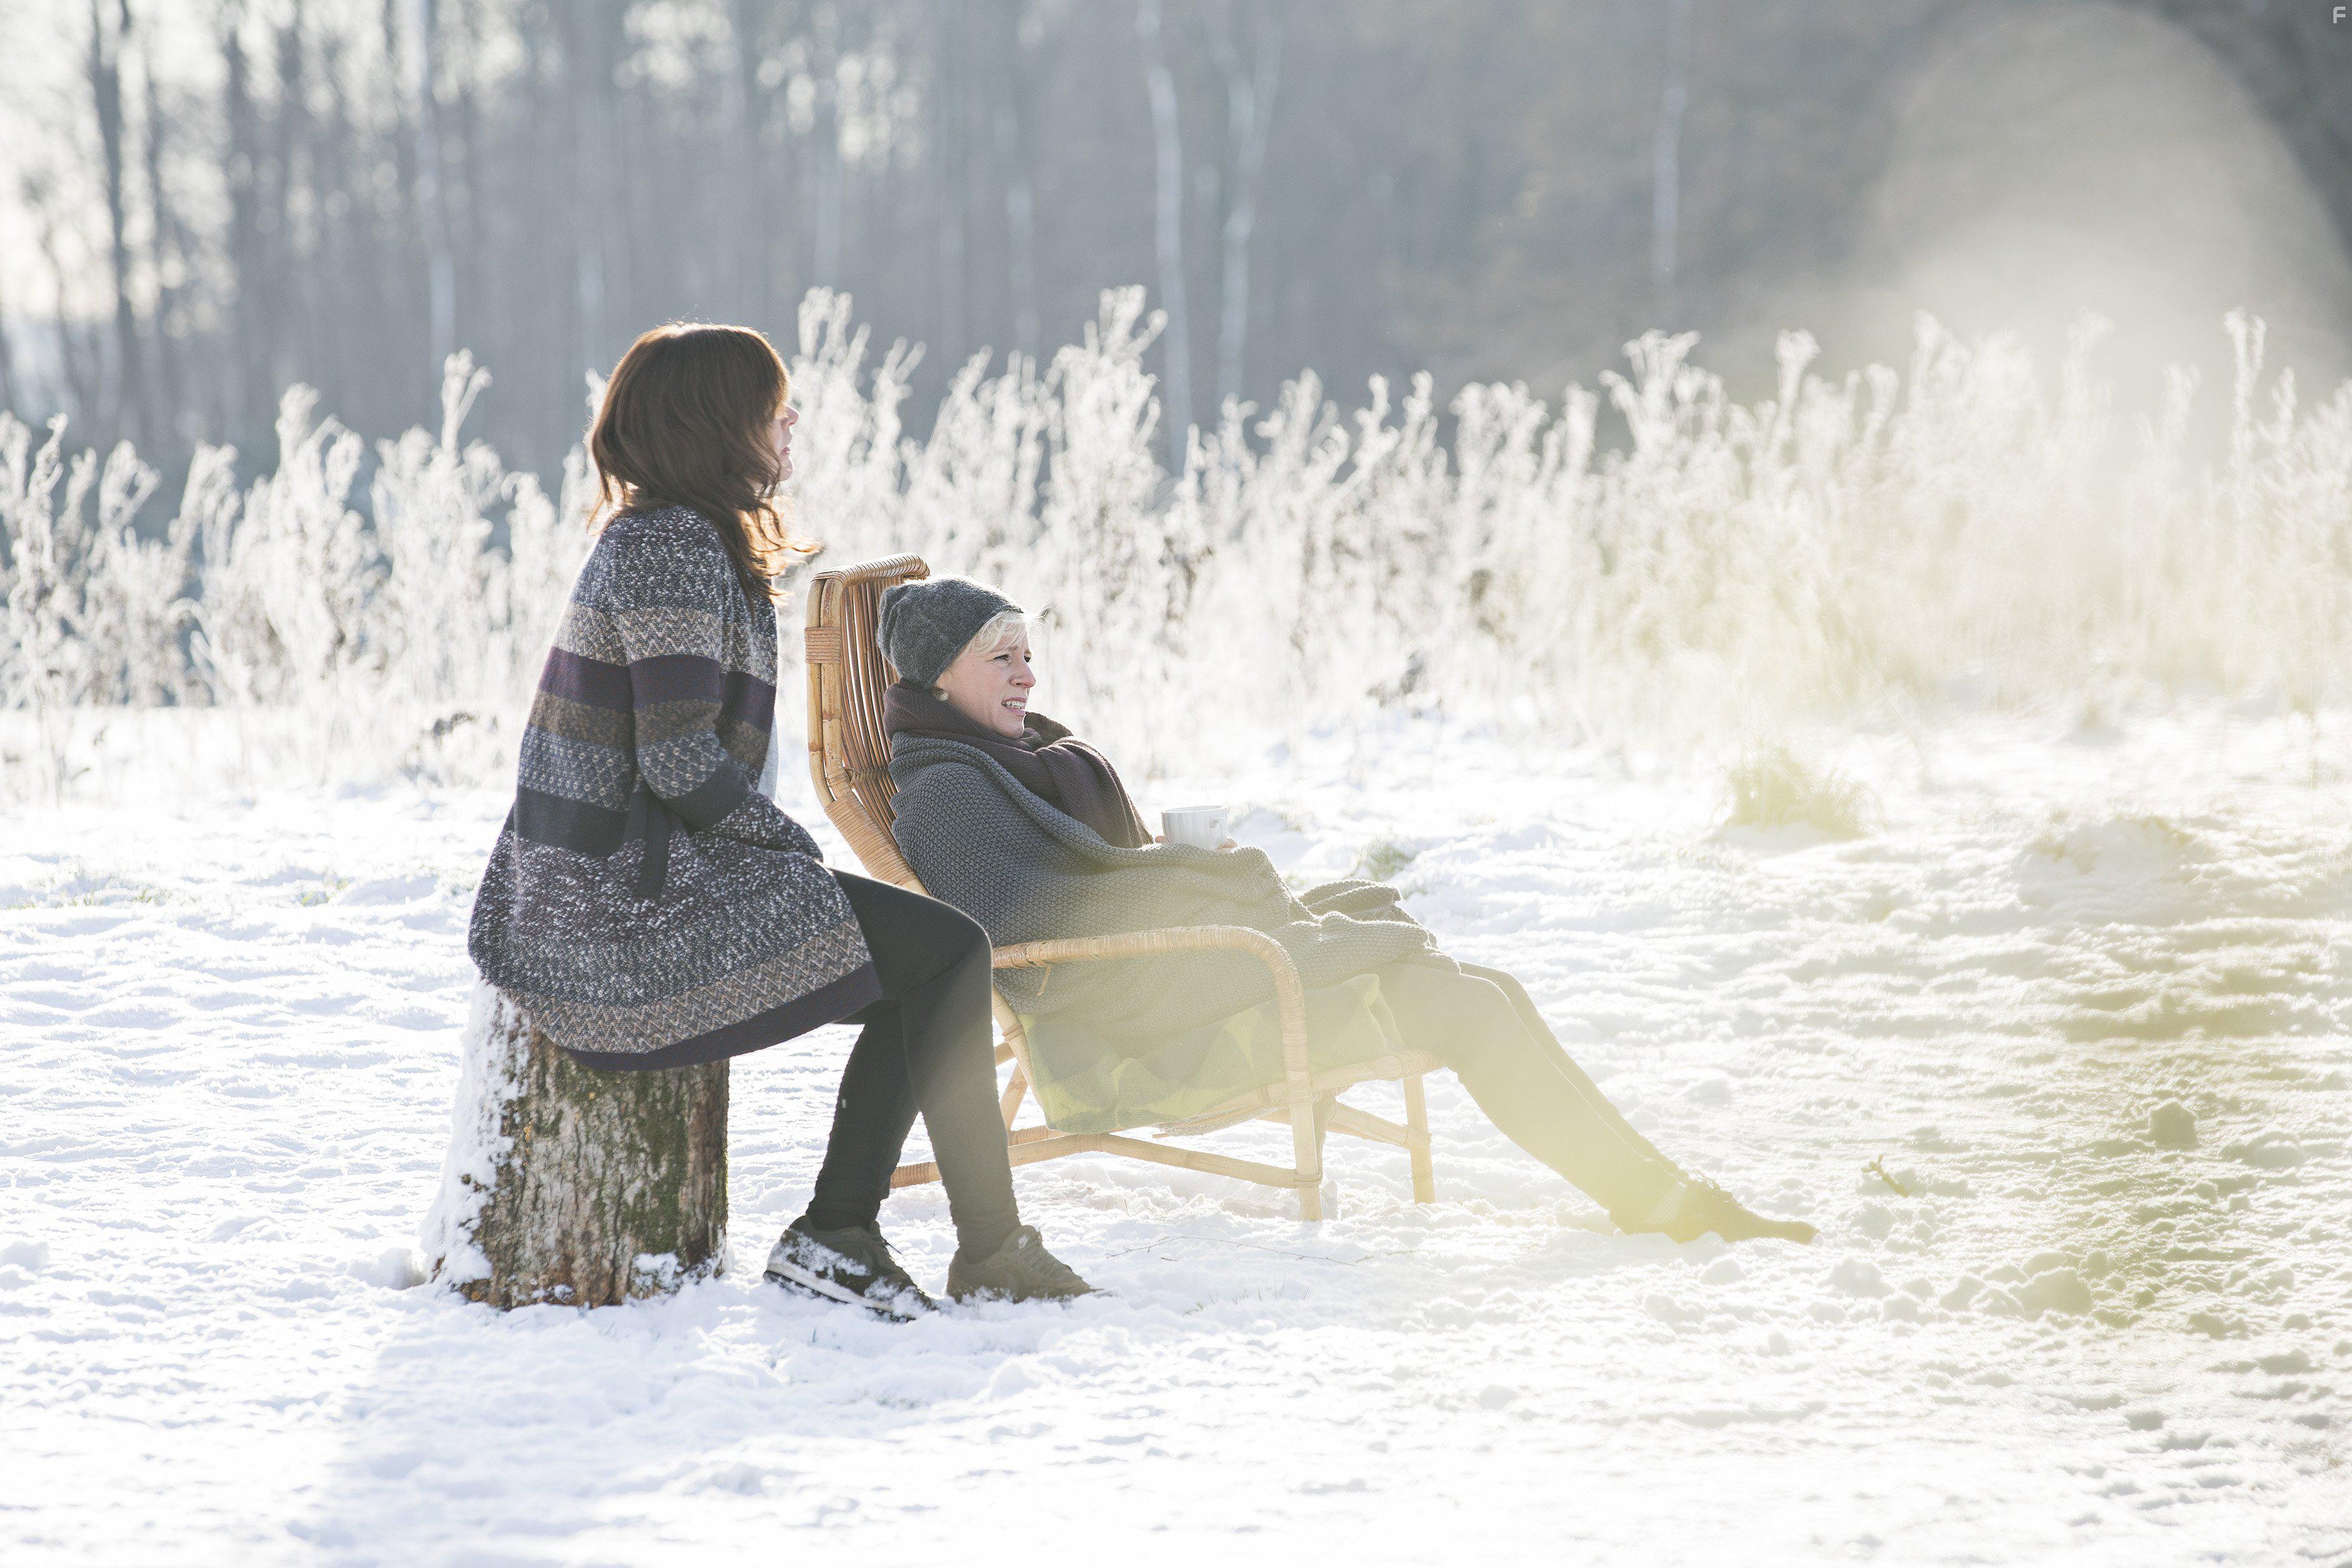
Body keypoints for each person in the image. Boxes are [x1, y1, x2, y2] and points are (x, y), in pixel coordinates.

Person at [874, 577, 1816, 1245]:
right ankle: (1659, 1202)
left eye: (1029, 656)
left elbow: (1083, 877)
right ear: (939, 677)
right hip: (1132, 1012)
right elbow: (1028, 934)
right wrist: (1185, 887)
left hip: (1168, 968)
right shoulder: (947, 795)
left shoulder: (999, 755)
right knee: (1465, 1006)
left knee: (1477, 982)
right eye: (1003, 659)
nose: (1028, 677)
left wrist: (1182, 870)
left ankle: (1665, 1191)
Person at [466, 325, 1091, 1316]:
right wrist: (786, 849)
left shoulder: (684, 537)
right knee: (943, 955)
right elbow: (677, 756)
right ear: (718, 423)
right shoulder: (668, 545)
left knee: (932, 962)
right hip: (610, 903)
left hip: (648, 871)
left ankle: (890, 1236)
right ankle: (890, 1239)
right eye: (773, 407)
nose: (790, 422)